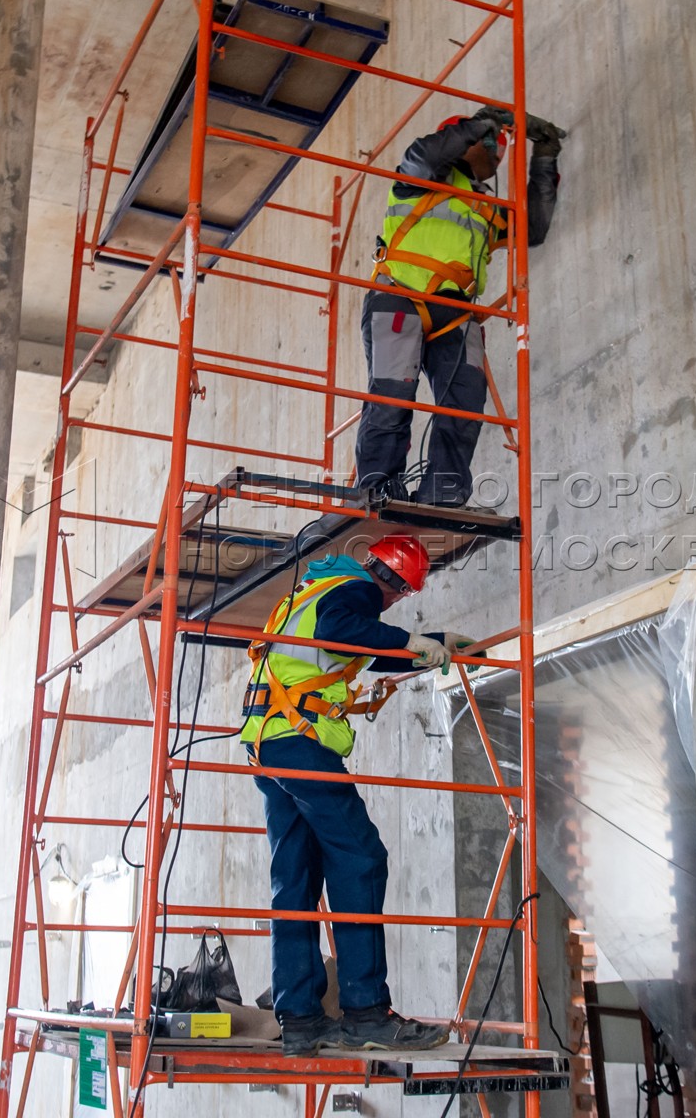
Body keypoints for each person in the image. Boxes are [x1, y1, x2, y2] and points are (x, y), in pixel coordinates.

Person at [240, 534, 477, 1054]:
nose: (395, 602)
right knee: (362, 858)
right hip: (300, 744)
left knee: (296, 878)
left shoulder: (320, 588)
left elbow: (360, 647)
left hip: (270, 741)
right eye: (401, 594)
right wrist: (411, 641)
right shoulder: (356, 591)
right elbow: (344, 631)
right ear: (393, 584)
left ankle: (300, 1016)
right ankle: (366, 1010)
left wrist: (429, 642)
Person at [354, 105, 563, 505]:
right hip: (401, 297)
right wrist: (483, 122)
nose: (499, 155)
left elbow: (532, 227)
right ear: (469, 142)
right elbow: (423, 154)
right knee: (393, 398)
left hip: (456, 313)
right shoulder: (419, 180)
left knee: (466, 405)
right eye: (495, 145)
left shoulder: (485, 207)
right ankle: (377, 491)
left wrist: (546, 155)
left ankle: (443, 494)